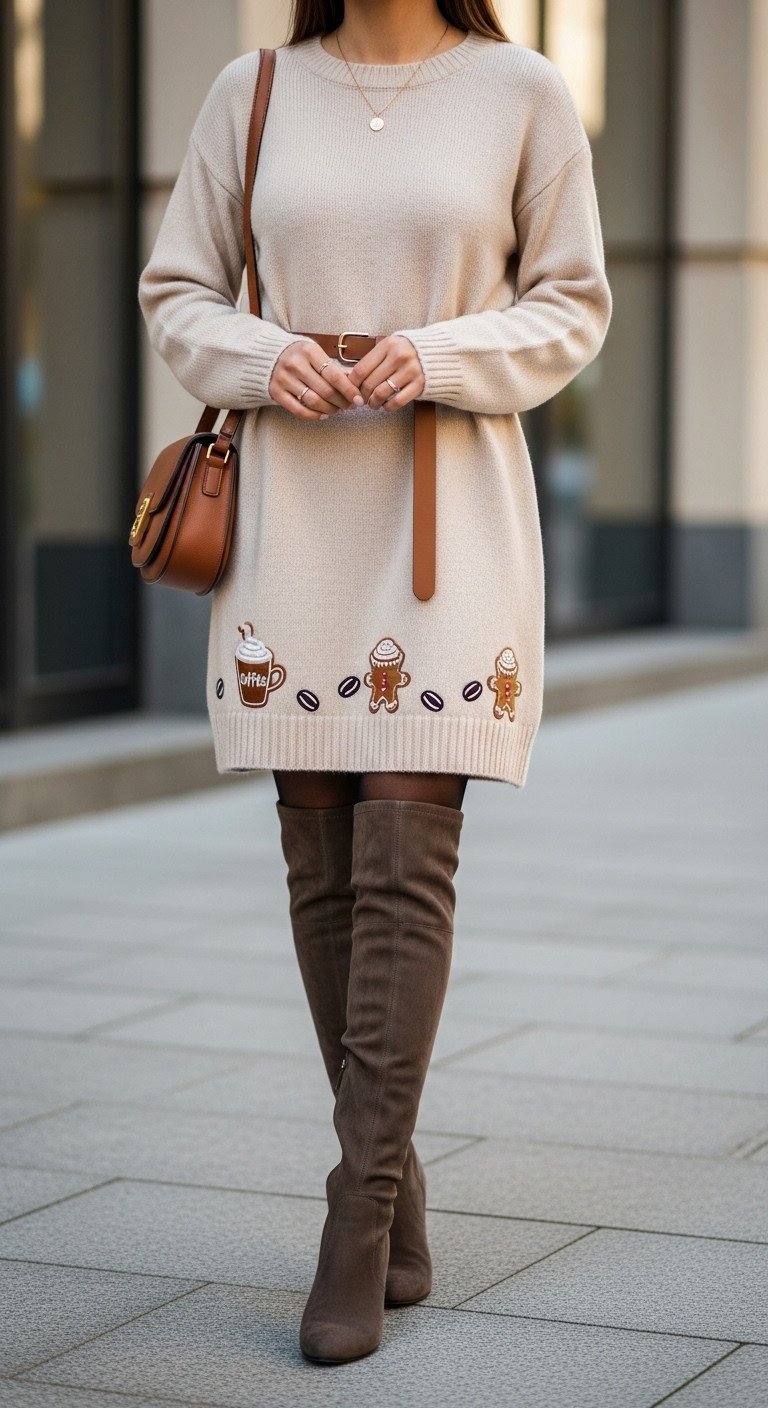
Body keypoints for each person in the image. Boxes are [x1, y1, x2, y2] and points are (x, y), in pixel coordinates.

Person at [137, 0, 612, 1366]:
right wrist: (266, 354)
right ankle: (399, 1189)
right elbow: (180, 291)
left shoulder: (522, 89)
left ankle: (353, 1216)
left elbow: (571, 301)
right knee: (322, 861)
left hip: (446, 520)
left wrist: (444, 354)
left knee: (407, 847)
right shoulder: (257, 87)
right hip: (293, 520)